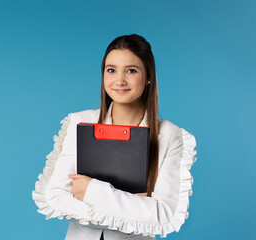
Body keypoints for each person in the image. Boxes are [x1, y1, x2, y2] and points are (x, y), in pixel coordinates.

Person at [32, 34, 197, 240]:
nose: (119, 80)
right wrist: (133, 209)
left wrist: (91, 191)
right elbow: (54, 198)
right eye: (111, 70)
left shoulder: (171, 135)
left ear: (148, 77)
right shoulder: (79, 122)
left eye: (131, 70)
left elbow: (164, 216)